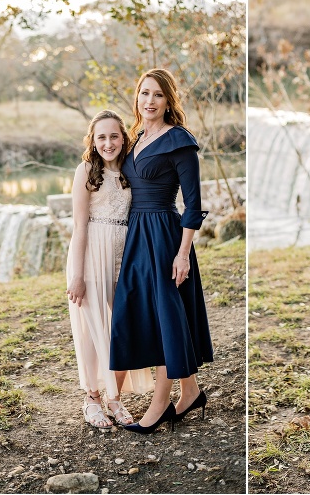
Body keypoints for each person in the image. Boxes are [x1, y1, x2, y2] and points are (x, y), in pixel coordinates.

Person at [109, 68, 213, 434]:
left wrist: (183, 253)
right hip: (137, 237)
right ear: (136, 98)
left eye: (157, 95)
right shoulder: (134, 139)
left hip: (166, 238)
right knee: (143, 315)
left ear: (169, 100)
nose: (149, 101)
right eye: (143, 94)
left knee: (167, 318)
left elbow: (195, 203)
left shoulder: (179, 141)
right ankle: (191, 393)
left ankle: (159, 405)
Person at [66, 110, 154, 429]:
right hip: (91, 254)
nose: (108, 143)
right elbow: (79, 226)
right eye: (101, 137)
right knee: (92, 328)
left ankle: (114, 396)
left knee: (121, 325)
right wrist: (77, 275)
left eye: (114, 136)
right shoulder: (87, 170)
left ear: (123, 138)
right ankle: (92, 398)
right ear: (93, 141)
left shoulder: (131, 170)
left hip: (124, 254)